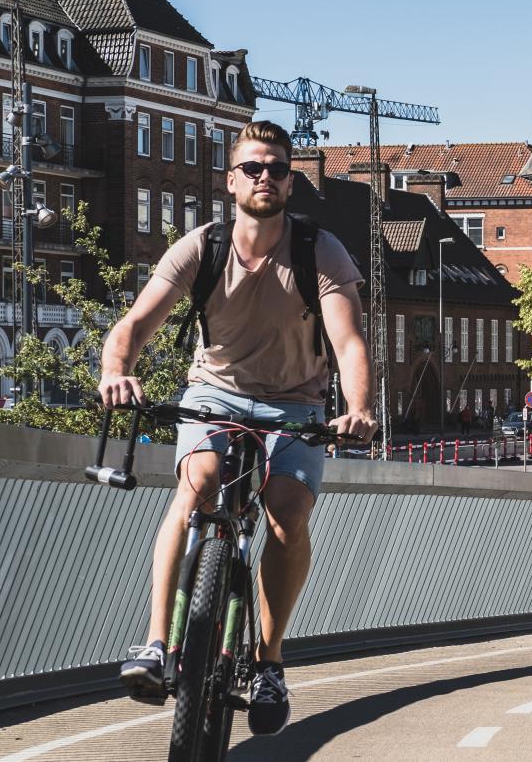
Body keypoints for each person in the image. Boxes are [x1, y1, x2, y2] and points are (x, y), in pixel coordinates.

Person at [99, 120, 376, 737]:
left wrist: (357, 407)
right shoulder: (201, 246)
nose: (265, 178)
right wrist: (117, 370)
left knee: (286, 513)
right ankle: (156, 644)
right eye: (253, 167)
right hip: (213, 395)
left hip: (296, 405)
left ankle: (270, 662)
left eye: (277, 168)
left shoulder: (318, 250)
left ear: (289, 182)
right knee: (197, 485)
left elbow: (349, 340)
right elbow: (136, 322)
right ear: (231, 180)